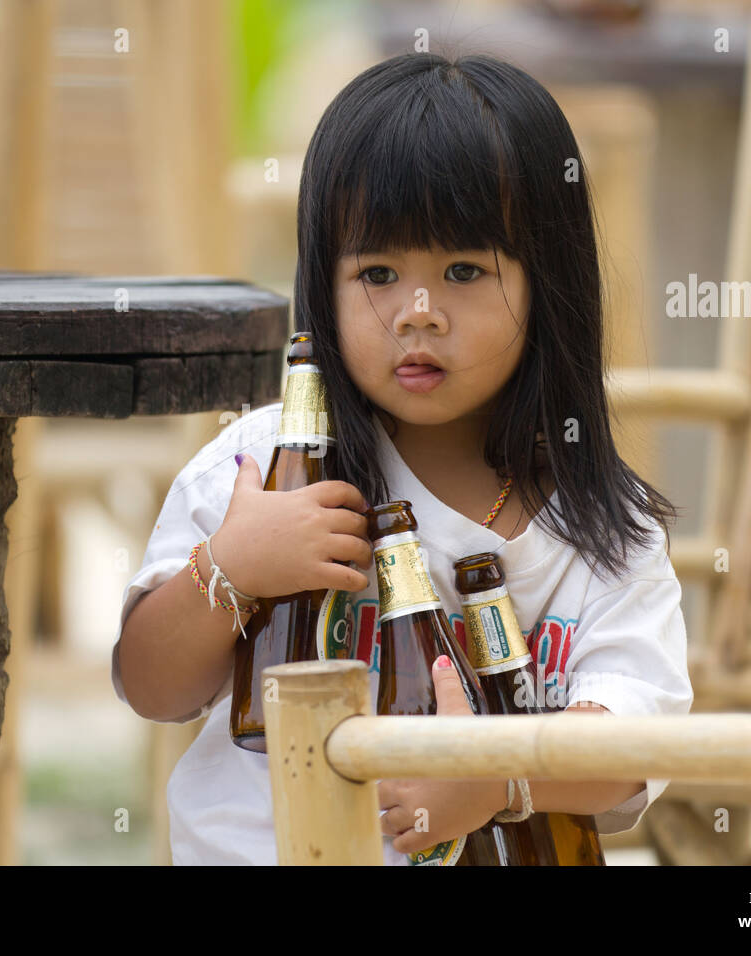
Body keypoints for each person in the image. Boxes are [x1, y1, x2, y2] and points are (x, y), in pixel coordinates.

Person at [112, 51, 693, 865]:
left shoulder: (604, 529)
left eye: (462, 271)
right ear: (324, 283)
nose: (418, 314)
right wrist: (231, 569)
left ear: (548, 284)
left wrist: (498, 778)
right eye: (379, 273)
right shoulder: (263, 469)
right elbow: (151, 687)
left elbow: (637, 742)